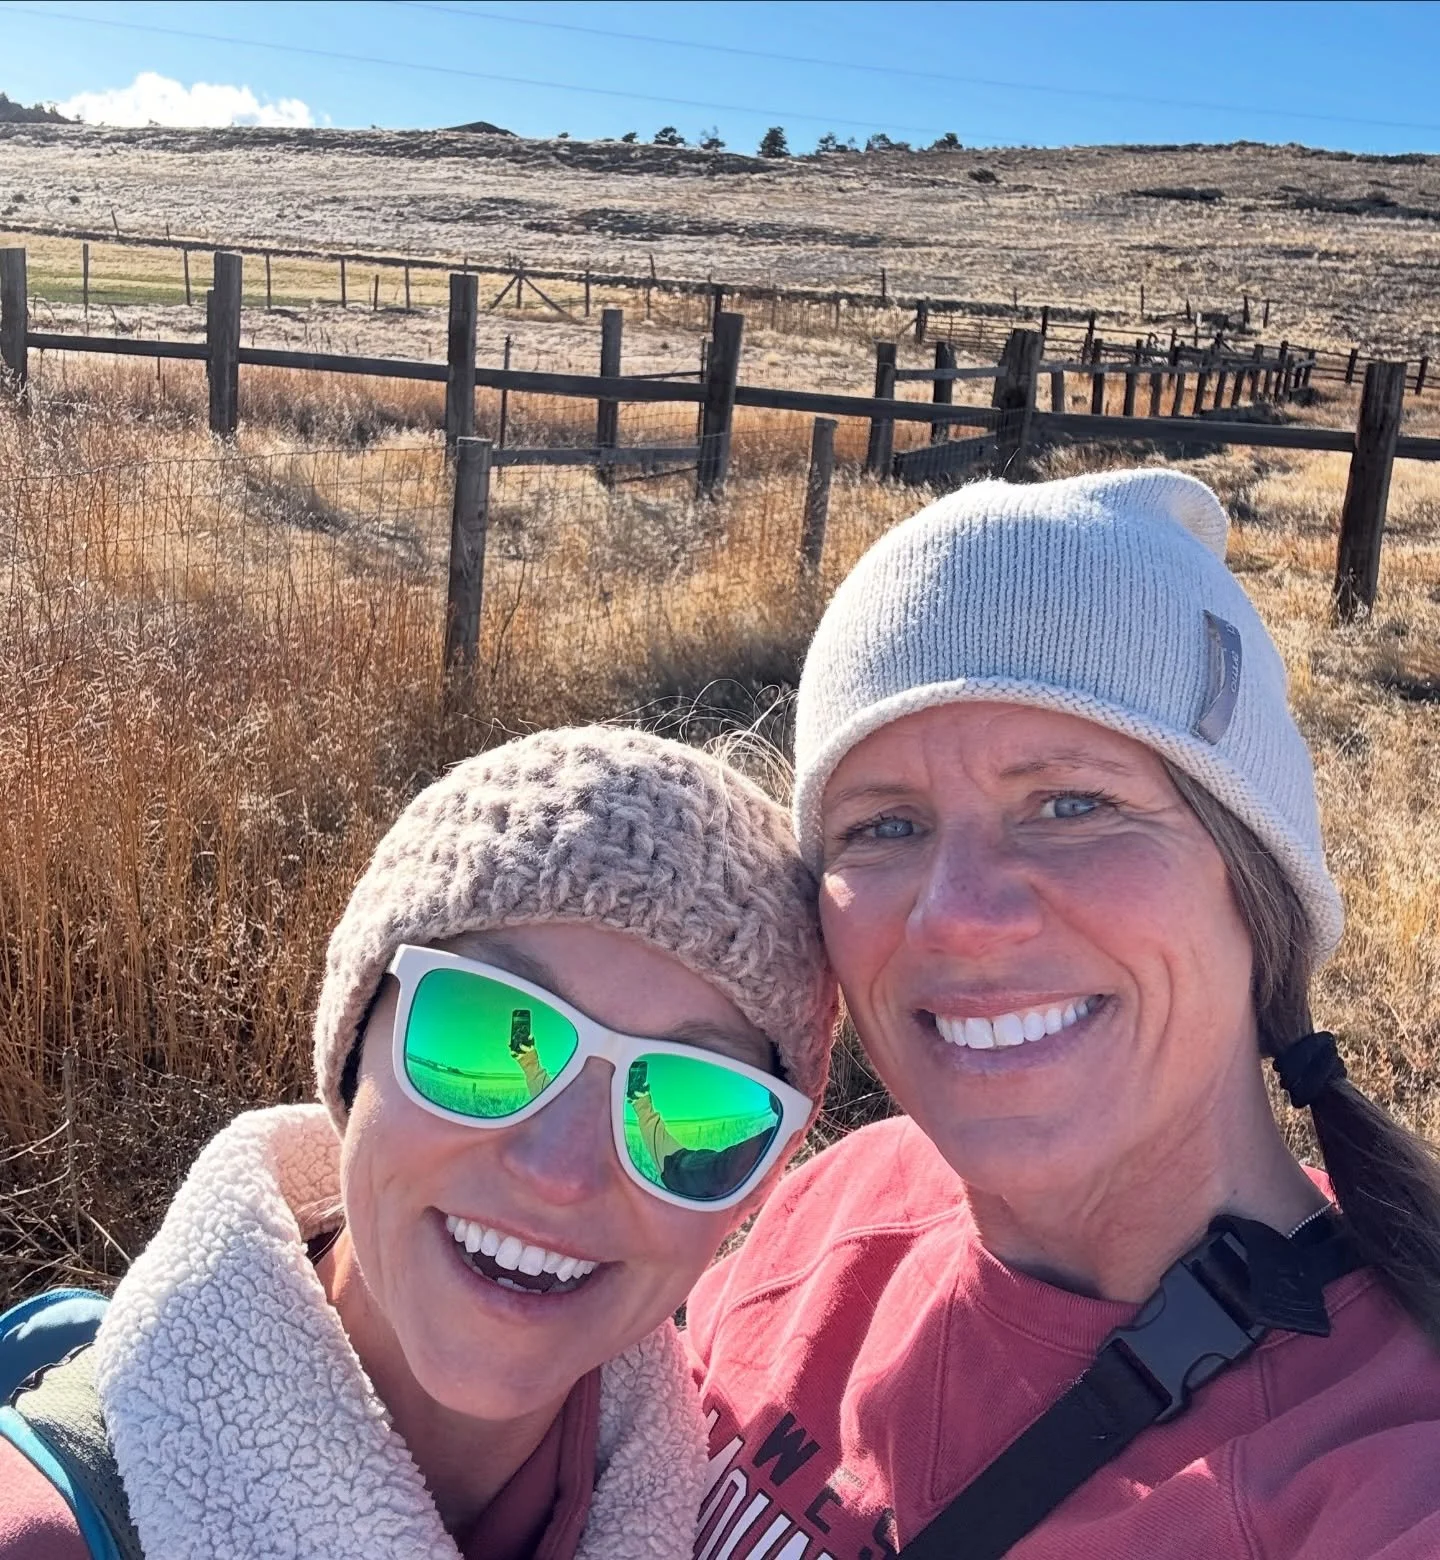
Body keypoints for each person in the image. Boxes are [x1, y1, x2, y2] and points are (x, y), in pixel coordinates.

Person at [686, 469, 1440, 1560]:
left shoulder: (1382, 1472)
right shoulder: (836, 1209)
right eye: (883, 826)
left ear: (1255, 878)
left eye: (1072, 805)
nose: (959, 916)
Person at [0, 726, 835, 1560]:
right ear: (354, 1047)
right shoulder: (43, 1533)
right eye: (488, 1034)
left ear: (754, 1188)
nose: (560, 1171)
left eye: (698, 1106)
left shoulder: (712, 1514)